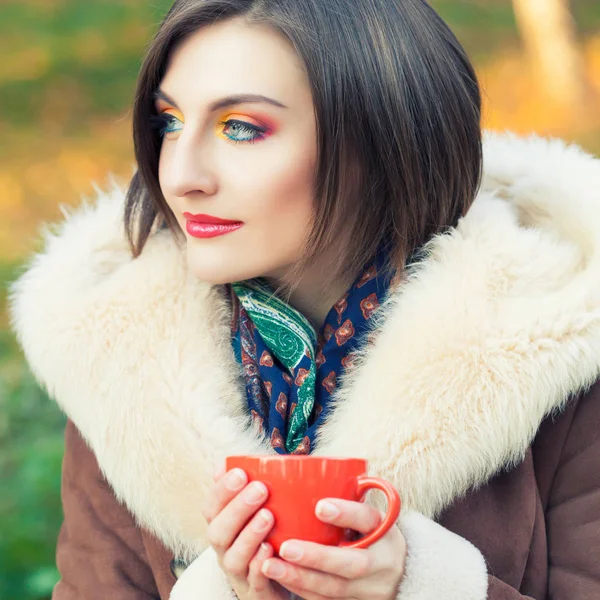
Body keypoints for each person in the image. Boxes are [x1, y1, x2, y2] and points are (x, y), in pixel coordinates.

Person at [9, 0, 600, 598]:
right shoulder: (123, 359)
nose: (181, 174)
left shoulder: (562, 336)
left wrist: (422, 584)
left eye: (240, 128)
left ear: (381, 139)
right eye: (169, 122)